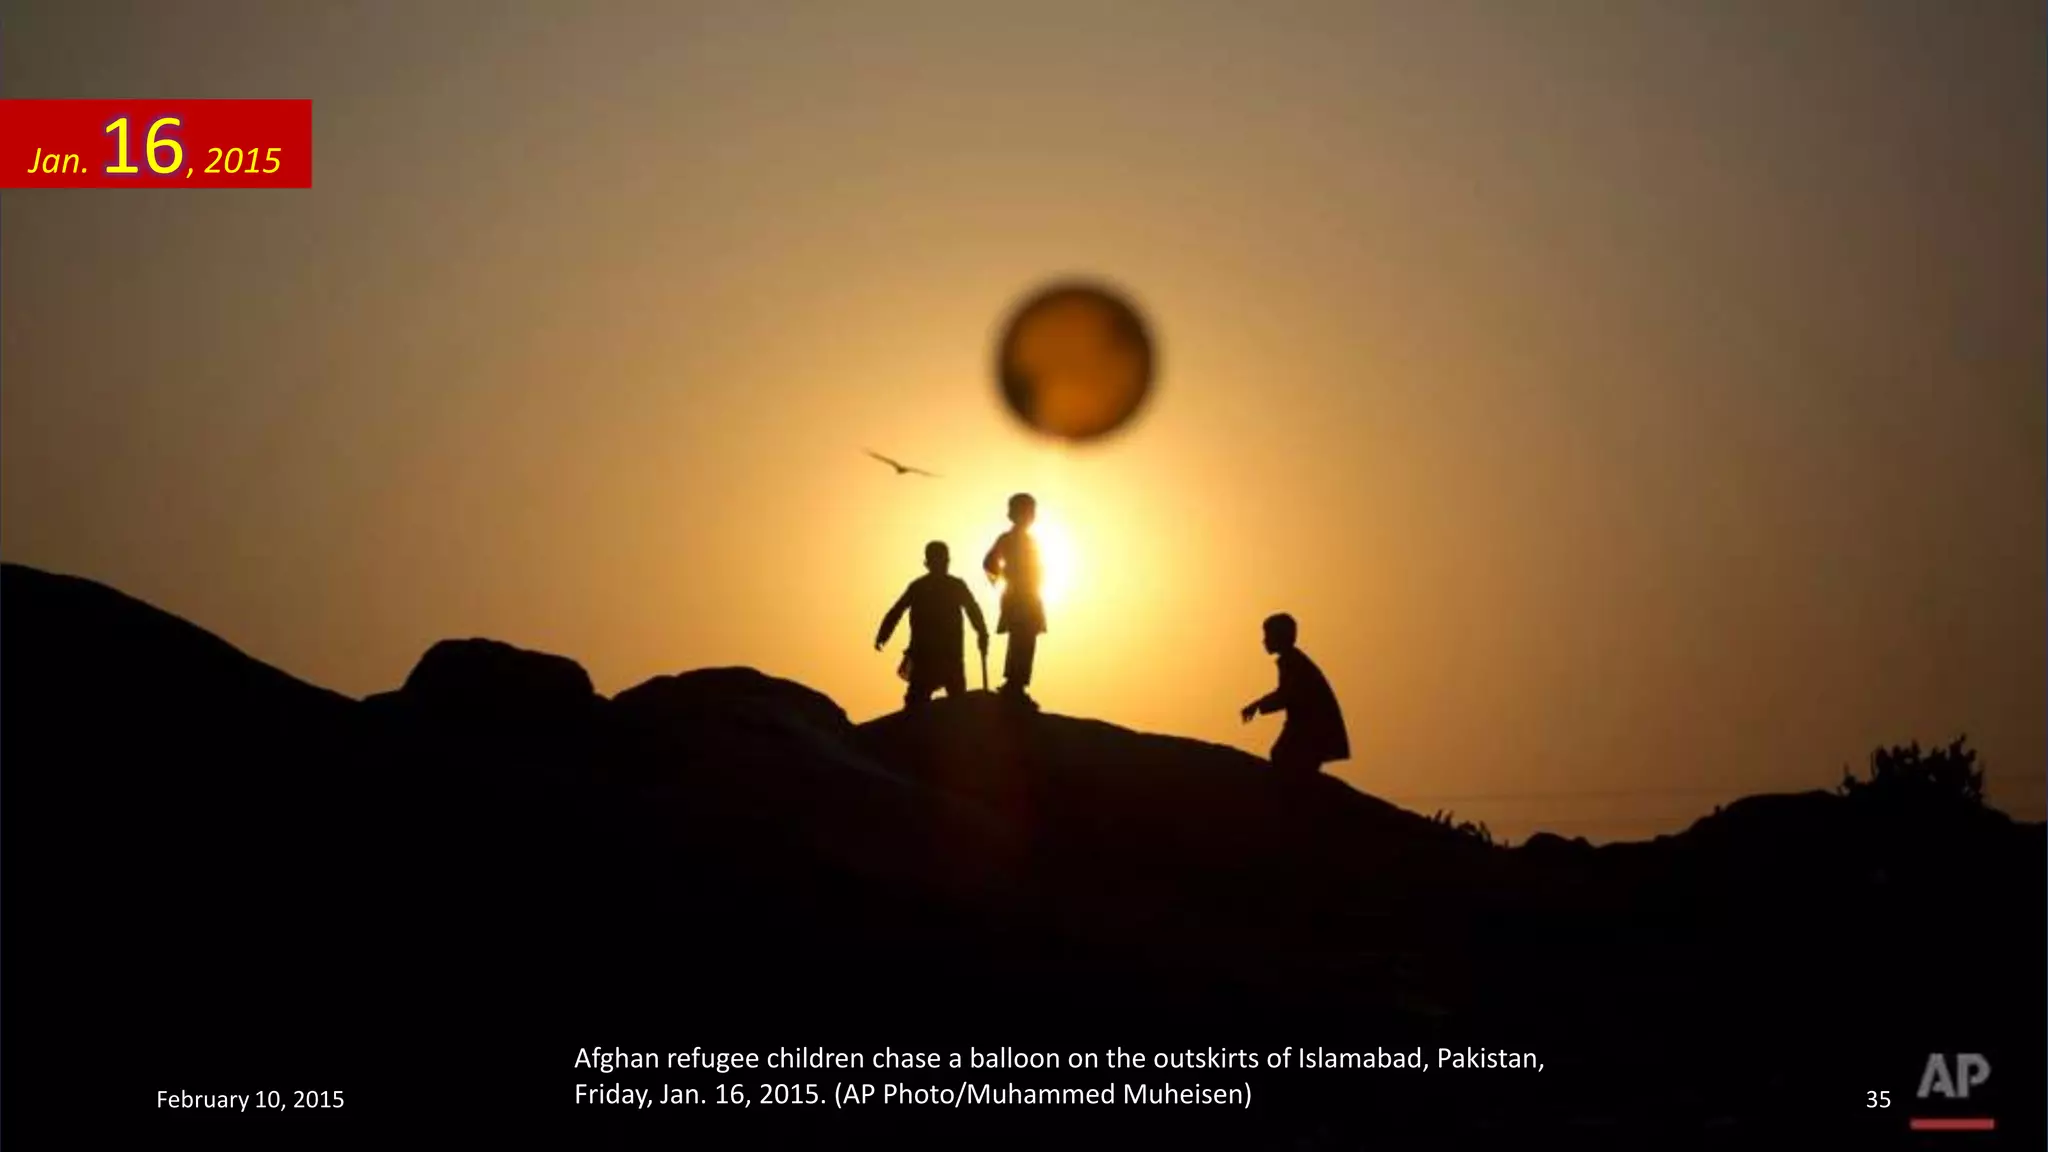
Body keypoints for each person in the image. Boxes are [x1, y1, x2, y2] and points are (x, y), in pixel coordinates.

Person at [875, 541, 989, 709]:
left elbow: (973, 609)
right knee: (923, 699)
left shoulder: (948, 586)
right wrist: (883, 634)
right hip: (928, 655)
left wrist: (982, 632)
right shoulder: (923, 587)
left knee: (950, 699)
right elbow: (897, 611)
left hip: (946, 654)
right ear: (930, 563)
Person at [1240, 613, 1349, 774]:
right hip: (1308, 726)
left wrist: (1258, 705)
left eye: (1268, 635)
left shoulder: (1292, 662)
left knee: (1283, 756)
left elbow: (1286, 695)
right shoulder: (1293, 660)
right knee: (1284, 757)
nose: (1264, 641)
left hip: (1311, 728)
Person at [982, 493, 1046, 706]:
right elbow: (990, 562)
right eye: (1030, 511)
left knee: (1024, 640)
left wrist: (1004, 576)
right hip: (1021, 596)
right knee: (1022, 639)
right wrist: (1008, 576)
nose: (1032, 516)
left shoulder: (1018, 539)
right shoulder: (1012, 539)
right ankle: (1014, 685)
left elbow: (990, 563)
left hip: (1024, 595)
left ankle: (1016, 684)